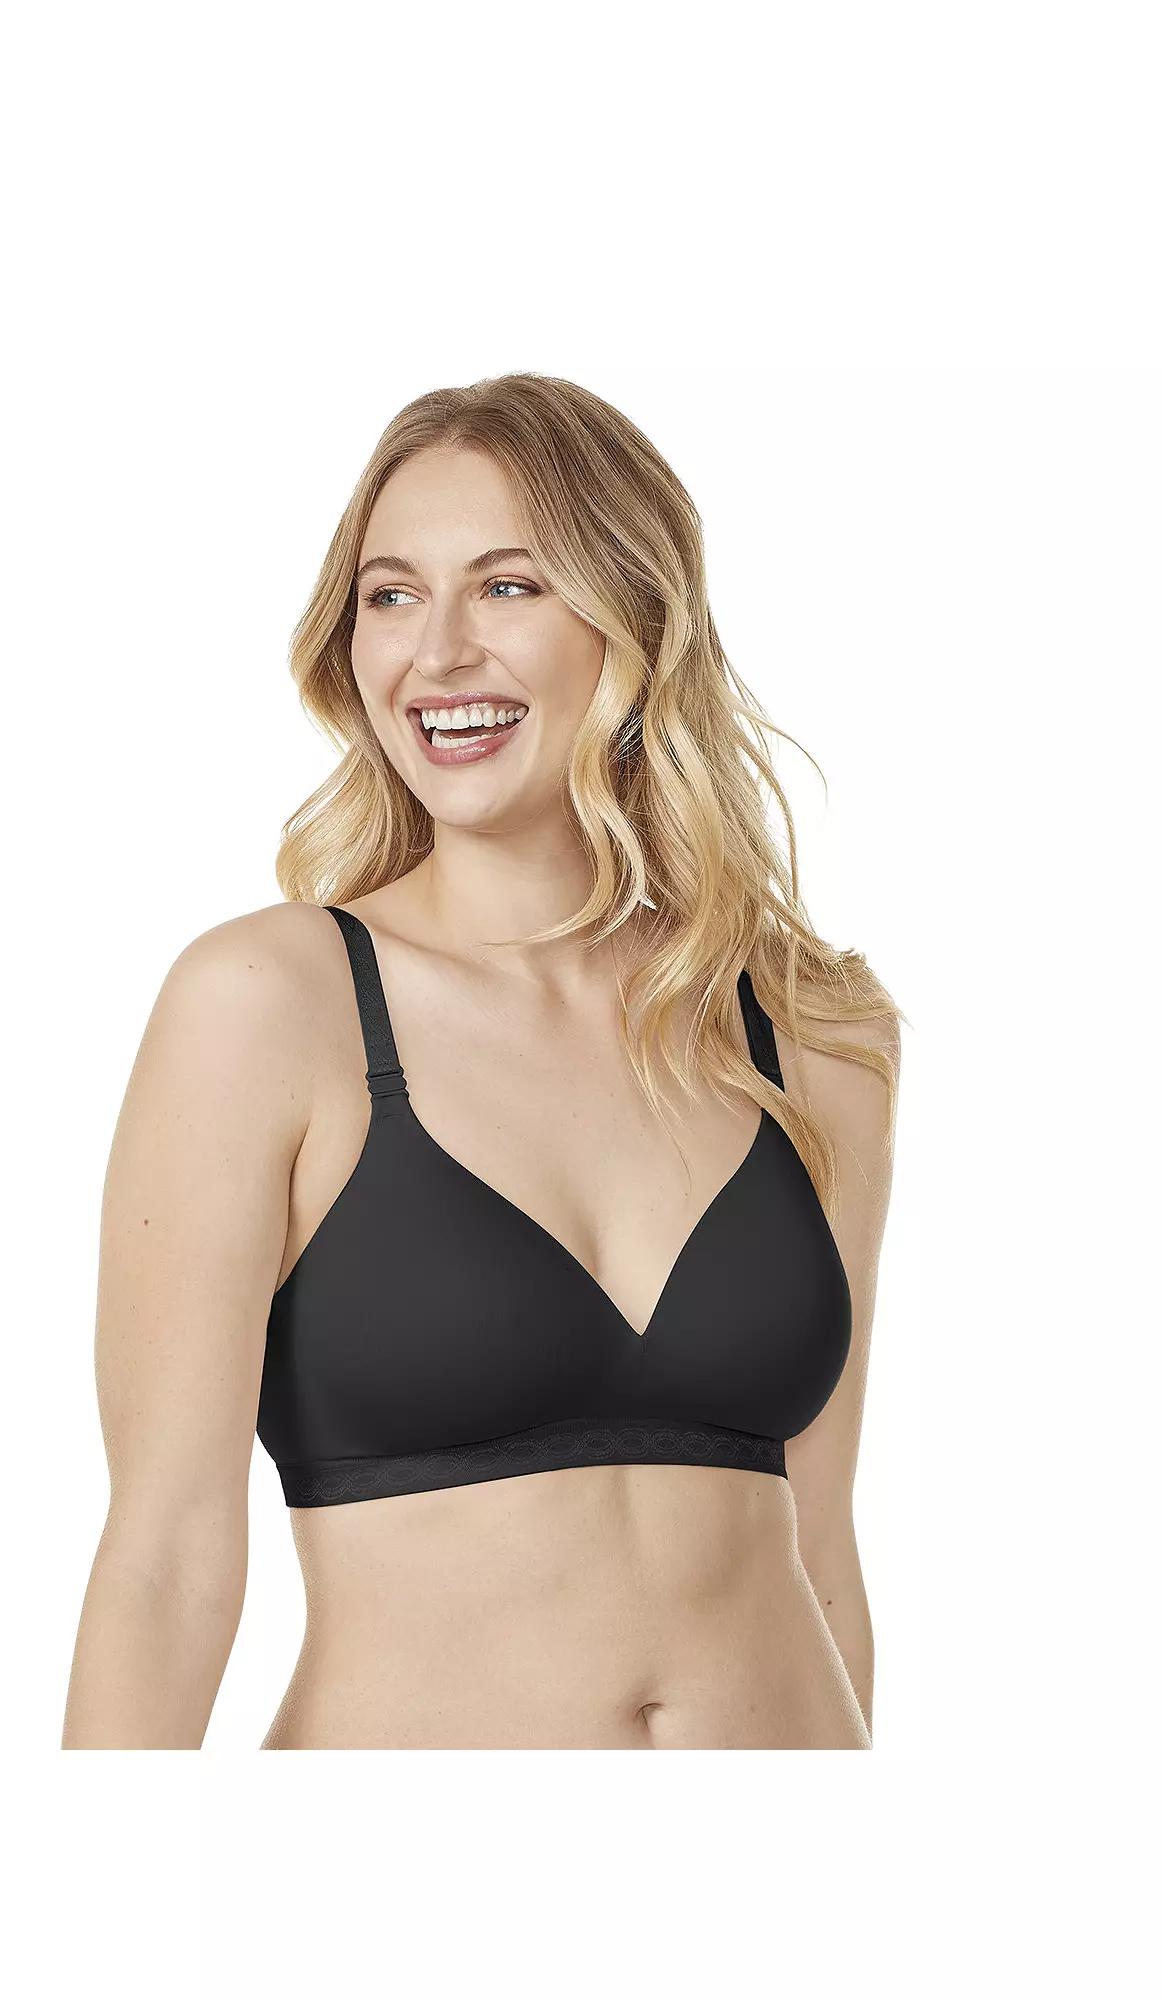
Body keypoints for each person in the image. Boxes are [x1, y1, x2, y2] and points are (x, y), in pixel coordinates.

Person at [62, 373, 903, 1749]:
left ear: (634, 620)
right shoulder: (270, 1005)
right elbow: (164, 1559)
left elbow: (823, 1548)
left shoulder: (812, 1033)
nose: (438, 651)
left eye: (507, 587)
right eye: (391, 597)